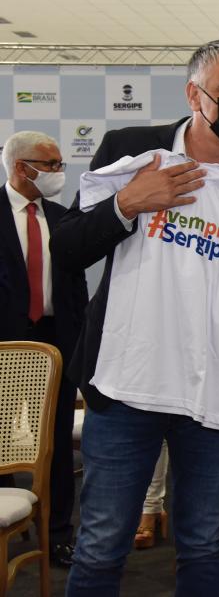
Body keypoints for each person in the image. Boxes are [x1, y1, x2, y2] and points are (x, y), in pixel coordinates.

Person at [53, 39, 219, 596]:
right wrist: (127, 203)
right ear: (194, 95)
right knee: (102, 543)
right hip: (124, 387)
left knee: (203, 545)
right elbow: (68, 249)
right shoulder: (133, 150)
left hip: (212, 394)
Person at [0, 131, 87, 567]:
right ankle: (8, 526)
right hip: (4, 346)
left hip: (57, 342)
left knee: (53, 443)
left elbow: (75, 286)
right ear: (22, 167)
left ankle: (56, 534)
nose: (58, 172)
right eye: (50, 165)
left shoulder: (61, 217)